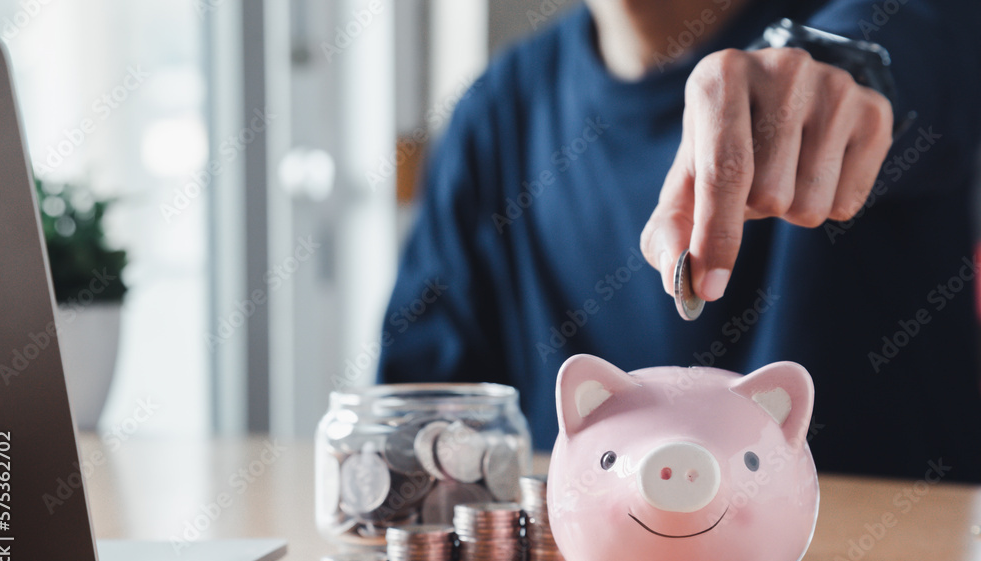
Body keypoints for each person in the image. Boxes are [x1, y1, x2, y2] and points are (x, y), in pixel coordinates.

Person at [377, 0, 981, 481]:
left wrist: (842, 74)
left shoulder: (885, 26)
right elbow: (416, 420)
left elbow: (918, 54)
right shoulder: (494, 113)